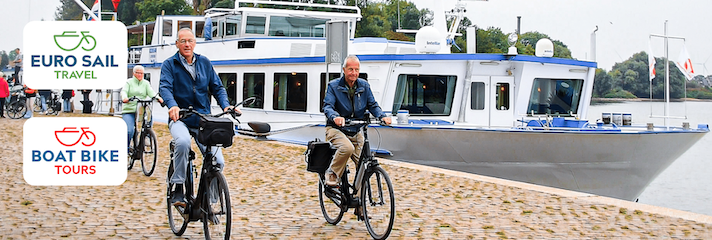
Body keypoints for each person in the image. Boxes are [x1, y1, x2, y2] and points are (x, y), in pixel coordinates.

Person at [159, 28, 237, 207]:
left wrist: (225, 105)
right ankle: (178, 186)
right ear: (177, 44)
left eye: (190, 41)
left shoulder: (204, 63)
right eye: (183, 41)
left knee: (217, 160)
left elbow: (217, 87)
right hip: (181, 118)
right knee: (183, 143)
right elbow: (165, 87)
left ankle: (209, 203)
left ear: (195, 43)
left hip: (203, 120)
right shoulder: (169, 65)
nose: (187, 44)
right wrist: (172, 106)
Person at [322, 55, 392, 188]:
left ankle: (359, 204)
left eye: (356, 70)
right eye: (350, 69)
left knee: (364, 165)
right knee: (347, 148)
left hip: (355, 130)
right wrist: (335, 117)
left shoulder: (364, 86)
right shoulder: (333, 86)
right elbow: (328, 107)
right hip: (336, 129)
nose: (354, 73)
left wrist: (382, 116)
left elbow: (372, 105)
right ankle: (332, 173)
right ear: (344, 69)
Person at [121, 65, 163, 152]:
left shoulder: (146, 83)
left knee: (149, 116)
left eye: (142, 73)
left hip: (141, 109)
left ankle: (147, 136)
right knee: (129, 130)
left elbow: (151, 92)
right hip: (130, 110)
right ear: (134, 73)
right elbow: (124, 91)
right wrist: (125, 98)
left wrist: (158, 98)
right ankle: (126, 149)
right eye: (138, 73)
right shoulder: (129, 82)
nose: (140, 75)